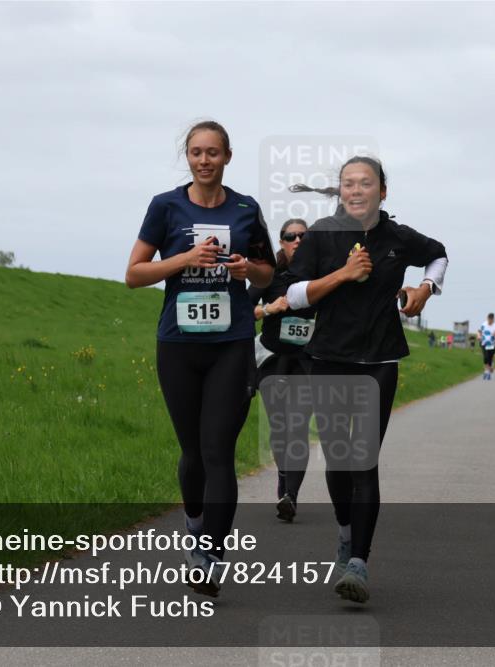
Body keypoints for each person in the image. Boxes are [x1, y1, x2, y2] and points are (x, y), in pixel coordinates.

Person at [284, 156, 447, 603]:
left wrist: (424, 290)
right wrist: (341, 275)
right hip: (329, 358)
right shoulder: (320, 236)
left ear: (383, 191)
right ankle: (344, 534)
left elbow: (438, 254)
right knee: (338, 461)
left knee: (363, 460)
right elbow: (294, 295)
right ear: (340, 193)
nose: (356, 191)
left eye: (366, 183)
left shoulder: (397, 237)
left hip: (379, 361)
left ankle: (358, 562)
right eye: (348, 184)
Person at [125, 120, 275, 596]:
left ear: (228, 156)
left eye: (213, 152)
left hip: (231, 343)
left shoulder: (246, 209)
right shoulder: (164, 206)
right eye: (196, 152)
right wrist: (185, 260)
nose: (204, 160)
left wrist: (248, 268)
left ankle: (210, 556)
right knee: (192, 453)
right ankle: (195, 526)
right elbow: (134, 274)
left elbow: (269, 274)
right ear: (187, 157)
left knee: (218, 452)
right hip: (179, 344)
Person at [250, 219, 315, 523]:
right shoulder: (269, 276)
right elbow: (241, 312)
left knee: (298, 425)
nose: (298, 240)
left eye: (304, 236)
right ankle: (284, 478)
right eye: (291, 236)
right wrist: (268, 309)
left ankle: (291, 496)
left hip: (306, 362)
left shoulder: (321, 276)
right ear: (282, 242)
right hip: (273, 360)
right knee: (280, 426)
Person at [478, 313, 495, 380]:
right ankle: (486, 372)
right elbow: (480, 331)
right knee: (486, 356)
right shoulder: (484, 324)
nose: (489, 322)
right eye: (488, 320)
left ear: (493, 319)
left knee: (490, 357)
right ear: (487, 318)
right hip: (484, 343)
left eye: (491, 321)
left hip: (493, 343)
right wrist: (479, 336)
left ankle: (490, 367)